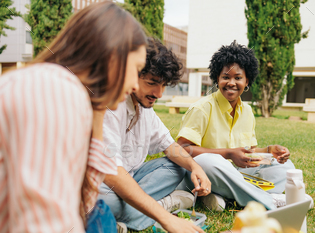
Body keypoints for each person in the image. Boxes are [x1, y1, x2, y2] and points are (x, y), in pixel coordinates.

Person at [0, 2, 146, 232]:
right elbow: (43, 225)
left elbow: (83, 204)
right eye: (136, 69)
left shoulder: (71, 93)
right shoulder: (58, 91)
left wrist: (99, 108)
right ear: (113, 54)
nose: (136, 84)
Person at [98, 38, 211, 233]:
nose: (158, 93)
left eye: (164, 85)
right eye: (152, 83)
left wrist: (195, 167)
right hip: (102, 185)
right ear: (132, 76)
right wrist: (165, 218)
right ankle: (163, 205)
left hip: (131, 180)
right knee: (103, 203)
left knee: (178, 166)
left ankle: (129, 213)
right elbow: (111, 174)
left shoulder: (144, 107)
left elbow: (169, 145)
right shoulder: (110, 104)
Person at [176, 40, 297, 211]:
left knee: (284, 166)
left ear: (247, 81)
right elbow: (182, 150)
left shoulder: (247, 111)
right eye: (226, 77)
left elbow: (248, 153)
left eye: (238, 78)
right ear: (217, 79)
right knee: (209, 161)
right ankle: (267, 201)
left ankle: (224, 198)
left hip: (233, 175)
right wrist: (228, 154)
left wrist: (269, 151)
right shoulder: (202, 108)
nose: (231, 83)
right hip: (203, 173)